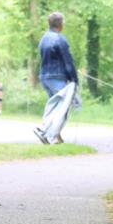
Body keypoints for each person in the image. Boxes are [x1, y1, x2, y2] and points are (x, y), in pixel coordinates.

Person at [33, 11, 79, 144]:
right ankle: (45, 131)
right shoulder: (60, 39)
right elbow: (68, 61)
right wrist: (74, 79)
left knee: (56, 105)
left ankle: (55, 136)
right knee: (62, 107)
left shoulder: (44, 38)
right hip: (57, 77)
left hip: (45, 76)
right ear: (60, 24)